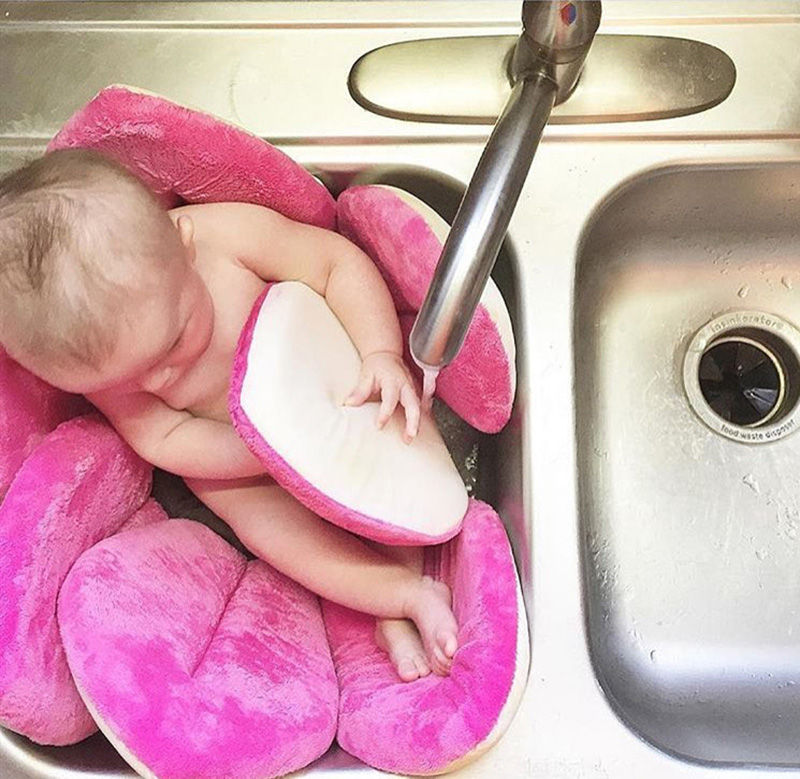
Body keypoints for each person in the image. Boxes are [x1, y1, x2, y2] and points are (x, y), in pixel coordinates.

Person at [0, 149, 458, 681]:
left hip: (333, 376)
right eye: (121, 382)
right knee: (266, 525)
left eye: (172, 343)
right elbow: (163, 435)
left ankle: (407, 566)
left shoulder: (226, 238)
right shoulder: (110, 348)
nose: (154, 382)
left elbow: (334, 265)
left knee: (391, 436)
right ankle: (396, 594)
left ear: (184, 245)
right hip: (236, 456)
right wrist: (261, 452)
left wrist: (379, 352)